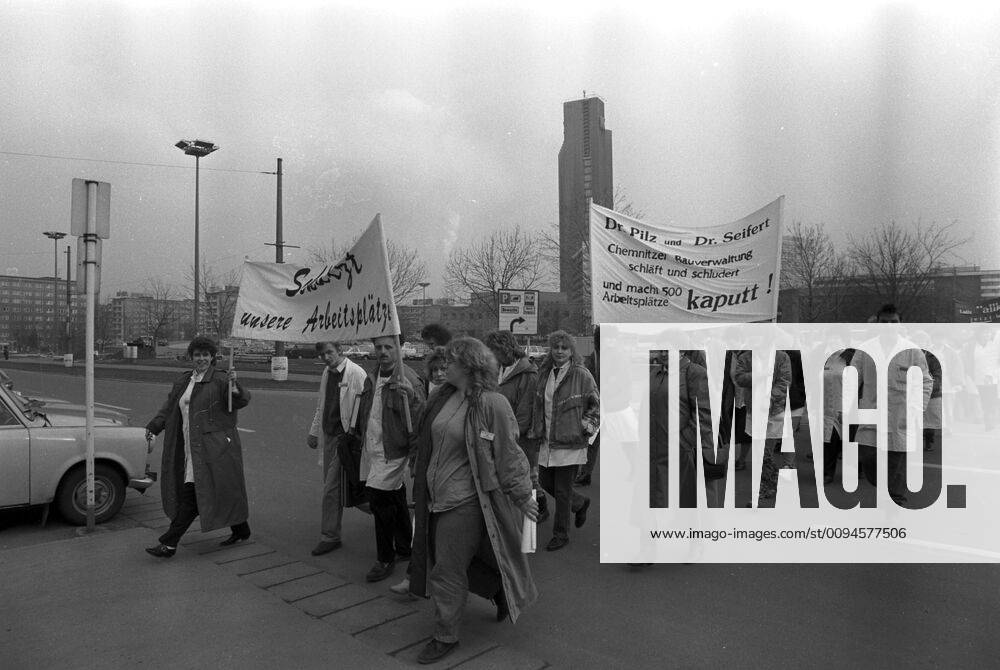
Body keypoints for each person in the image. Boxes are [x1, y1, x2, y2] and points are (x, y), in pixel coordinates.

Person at [408, 337, 538, 665]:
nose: (443, 367)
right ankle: (498, 591)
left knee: (446, 569)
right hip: (434, 498)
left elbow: (508, 453)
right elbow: (426, 440)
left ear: (468, 366)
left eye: (450, 362)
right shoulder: (442, 396)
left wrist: (524, 495)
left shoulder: (493, 404)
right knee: (463, 559)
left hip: (464, 501)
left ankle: (445, 635)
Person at [144, 336, 251, 558]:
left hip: (214, 449)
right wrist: (154, 427)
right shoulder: (184, 381)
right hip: (187, 445)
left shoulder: (221, 380)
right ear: (191, 357)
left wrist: (236, 388)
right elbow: (168, 408)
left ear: (212, 357)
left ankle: (169, 544)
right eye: (197, 355)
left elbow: (242, 401)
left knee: (192, 493)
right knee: (223, 490)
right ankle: (241, 529)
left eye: (206, 355)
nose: (201, 358)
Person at [356, 335, 425, 583]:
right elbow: (368, 411)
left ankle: (385, 558)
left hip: (395, 451)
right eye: (378, 347)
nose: (383, 352)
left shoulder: (408, 379)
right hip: (374, 449)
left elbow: (420, 420)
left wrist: (416, 458)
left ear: (399, 348)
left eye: (388, 347)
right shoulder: (372, 376)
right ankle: (405, 546)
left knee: (379, 499)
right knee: (394, 494)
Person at [854, 304, 932, 506]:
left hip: (901, 416)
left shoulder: (912, 351)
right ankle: (887, 489)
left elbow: (925, 381)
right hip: (871, 415)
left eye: (893, 322)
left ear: (900, 324)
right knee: (869, 460)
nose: (889, 326)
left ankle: (895, 504)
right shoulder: (865, 350)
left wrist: (917, 408)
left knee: (896, 464)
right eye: (884, 322)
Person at [528, 330, 599, 551]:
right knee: (546, 482)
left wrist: (586, 428)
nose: (559, 352)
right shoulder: (544, 372)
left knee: (562, 491)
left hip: (570, 440)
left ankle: (561, 534)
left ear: (571, 351)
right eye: (556, 347)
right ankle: (579, 503)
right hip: (547, 439)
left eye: (564, 348)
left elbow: (595, 405)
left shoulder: (581, 374)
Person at [307, 341, 367, 556]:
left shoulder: (356, 374)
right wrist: (314, 431)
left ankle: (330, 536)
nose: (326, 357)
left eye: (330, 353)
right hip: (330, 438)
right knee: (342, 489)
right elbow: (321, 404)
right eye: (322, 354)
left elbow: (364, 408)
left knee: (332, 489)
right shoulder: (327, 372)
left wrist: (356, 438)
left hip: (346, 441)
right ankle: (392, 515)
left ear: (340, 351)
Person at [483, 330, 543, 519]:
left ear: (505, 349)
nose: (491, 355)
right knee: (518, 477)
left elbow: (525, 412)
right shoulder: (500, 369)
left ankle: (534, 517)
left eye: (494, 350)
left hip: (519, 437)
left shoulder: (528, 375)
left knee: (525, 477)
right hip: (502, 434)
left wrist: (508, 436)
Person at [576, 325, 601, 487]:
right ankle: (585, 474)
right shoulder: (593, 358)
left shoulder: (616, 357)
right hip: (597, 406)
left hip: (614, 407)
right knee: (591, 441)